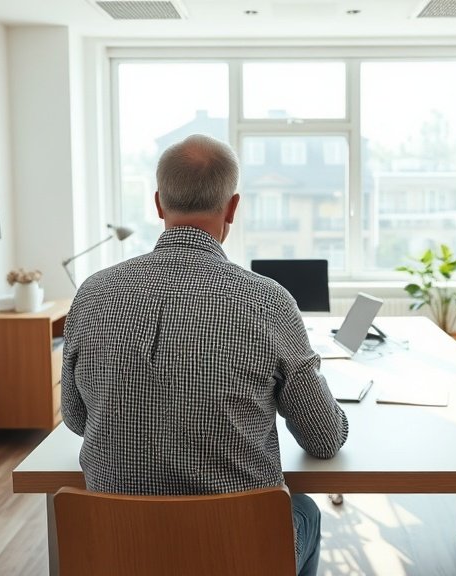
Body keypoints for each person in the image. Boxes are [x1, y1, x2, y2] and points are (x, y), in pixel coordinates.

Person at [60, 133, 348, 576]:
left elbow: (78, 420)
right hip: (237, 553)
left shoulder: (92, 293)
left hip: (119, 548)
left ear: (159, 203)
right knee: (305, 510)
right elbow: (324, 440)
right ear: (232, 207)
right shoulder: (267, 301)